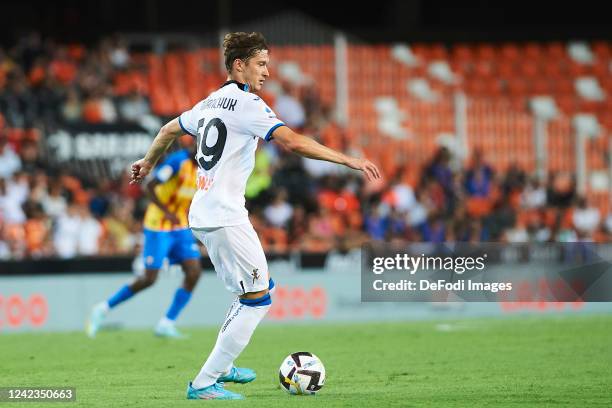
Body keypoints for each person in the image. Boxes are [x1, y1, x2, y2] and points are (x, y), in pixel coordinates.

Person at [129, 32, 381, 400]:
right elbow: (292, 142)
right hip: (225, 215)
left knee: (254, 292)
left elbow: (168, 129)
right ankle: (203, 383)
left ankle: (223, 364)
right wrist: (349, 160)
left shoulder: (210, 102)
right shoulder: (249, 105)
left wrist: (147, 162)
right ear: (238, 65)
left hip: (204, 211)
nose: (266, 72)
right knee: (259, 298)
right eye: (260, 64)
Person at [87, 138, 202, 338]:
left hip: (180, 226)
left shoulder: (204, 169)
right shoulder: (177, 162)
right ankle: (103, 308)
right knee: (149, 279)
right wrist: (166, 211)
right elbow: (149, 186)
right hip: (158, 226)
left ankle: (166, 323)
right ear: (194, 146)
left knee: (194, 271)